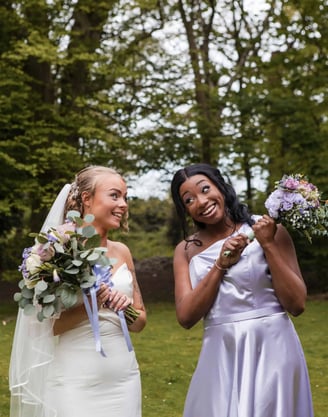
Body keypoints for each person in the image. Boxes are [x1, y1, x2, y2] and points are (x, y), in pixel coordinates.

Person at [170, 163, 314, 417]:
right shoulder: (185, 251)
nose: (201, 201)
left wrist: (268, 244)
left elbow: (297, 304)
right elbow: (186, 316)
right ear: (185, 209)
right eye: (189, 199)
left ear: (221, 188)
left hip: (273, 349)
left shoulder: (267, 228)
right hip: (220, 352)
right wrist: (220, 265)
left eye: (206, 189)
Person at [9, 166, 147, 417]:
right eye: (115, 196)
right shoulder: (57, 250)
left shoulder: (122, 251)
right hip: (75, 381)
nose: (123, 204)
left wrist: (121, 306)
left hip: (124, 379)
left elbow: (140, 322)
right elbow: (39, 328)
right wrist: (91, 302)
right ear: (86, 199)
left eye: (125, 197)